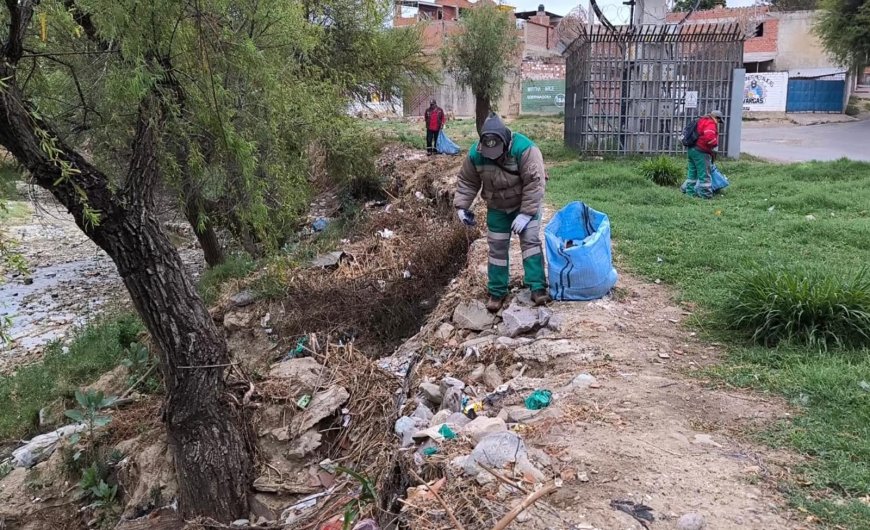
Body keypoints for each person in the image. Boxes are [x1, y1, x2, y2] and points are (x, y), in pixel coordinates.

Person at [454, 112, 550, 313]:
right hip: (497, 207)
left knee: (530, 242)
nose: (493, 155)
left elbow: (535, 183)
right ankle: (497, 291)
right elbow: (467, 181)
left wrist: (526, 213)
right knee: (497, 249)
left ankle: (538, 287)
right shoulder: (476, 154)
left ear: (505, 141)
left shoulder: (525, 149)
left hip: (524, 204)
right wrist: (461, 207)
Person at [681, 110, 723, 199]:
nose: (718, 123)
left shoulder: (701, 120)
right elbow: (709, 138)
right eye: (719, 121)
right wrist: (715, 144)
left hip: (691, 150)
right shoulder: (710, 123)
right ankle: (706, 195)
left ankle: (689, 193)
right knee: (704, 174)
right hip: (701, 152)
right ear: (717, 118)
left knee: (692, 174)